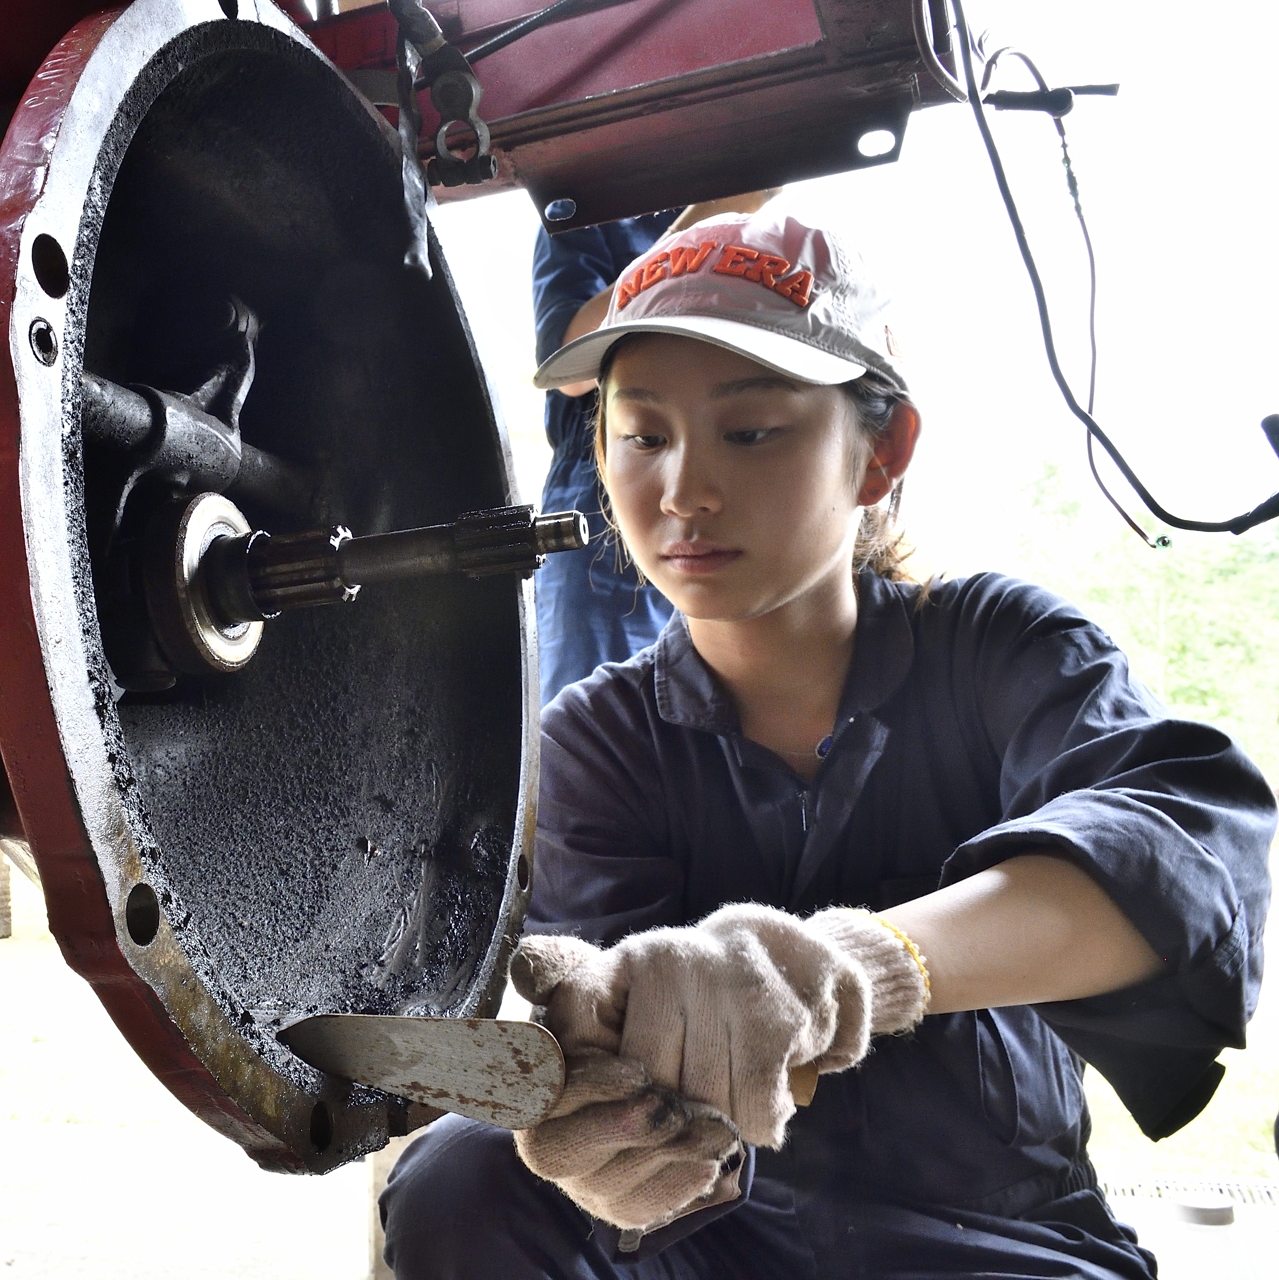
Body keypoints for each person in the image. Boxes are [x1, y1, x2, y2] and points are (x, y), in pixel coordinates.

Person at [381, 211, 1274, 1278]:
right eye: (645, 434)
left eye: (751, 430)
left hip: (1001, 1240)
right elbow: (646, 1109)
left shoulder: (1003, 650)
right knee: (459, 1173)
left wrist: (861, 966)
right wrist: (613, 1123)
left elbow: (1181, 847)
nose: (683, 491)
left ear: (881, 452)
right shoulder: (596, 741)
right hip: (714, 1244)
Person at [533, 194, 776, 704]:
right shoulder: (583, 212)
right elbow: (567, 362)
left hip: (730, 488)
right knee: (599, 715)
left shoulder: (768, 232)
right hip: (604, 503)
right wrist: (715, 213)